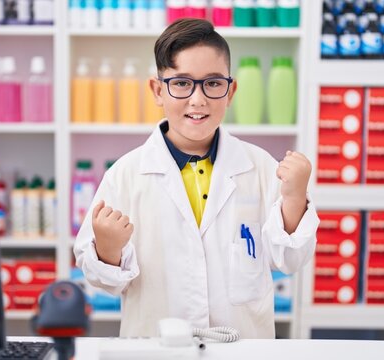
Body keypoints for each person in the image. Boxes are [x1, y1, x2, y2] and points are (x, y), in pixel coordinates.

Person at [73, 18, 319, 339]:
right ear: (157, 90)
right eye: (182, 83)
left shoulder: (259, 167)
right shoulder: (126, 174)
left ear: (231, 92)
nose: (198, 99)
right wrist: (107, 249)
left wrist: (295, 198)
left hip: (243, 349)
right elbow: (104, 282)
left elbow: (288, 259)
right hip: (156, 350)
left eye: (213, 83)